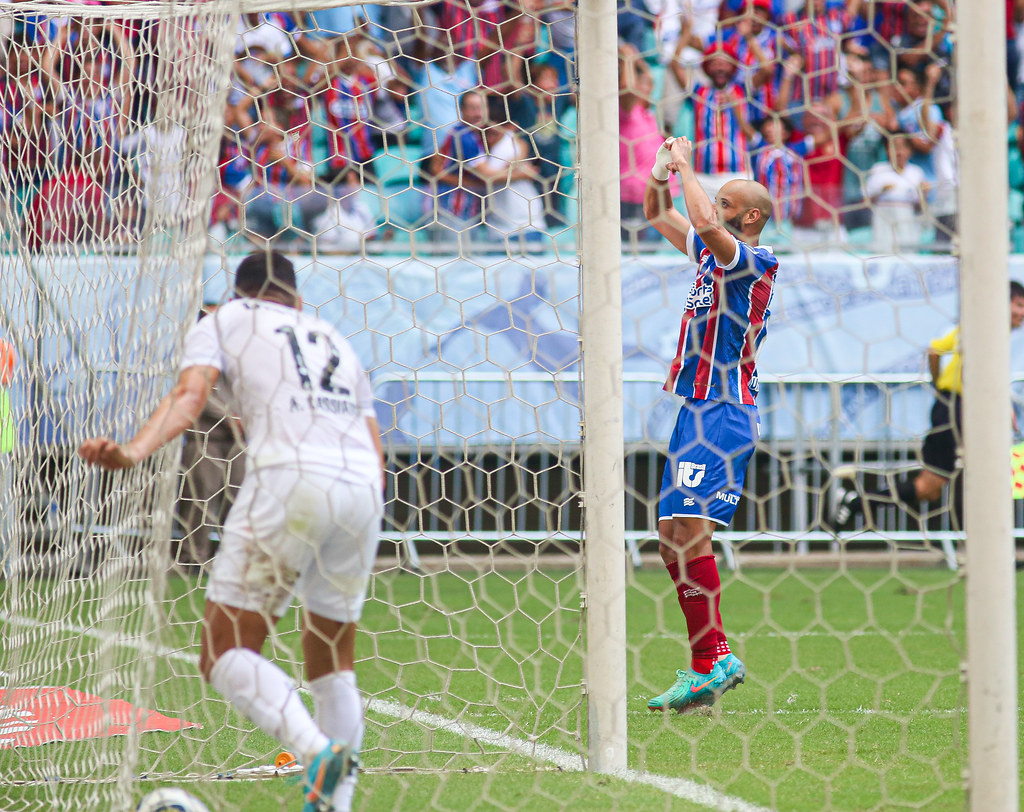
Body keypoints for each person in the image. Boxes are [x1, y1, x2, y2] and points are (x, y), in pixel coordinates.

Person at [78, 252, 385, 812]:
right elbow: (373, 439)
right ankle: (334, 804)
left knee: (223, 651)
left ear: (239, 294)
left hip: (290, 483)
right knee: (333, 659)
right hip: (363, 491)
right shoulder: (331, 336)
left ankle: (314, 750)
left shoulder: (222, 319)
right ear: (296, 300)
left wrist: (133, 451)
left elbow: (191, 397)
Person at [643, 135, 778, 712]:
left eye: (726, 204)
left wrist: (686, 167)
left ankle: (713, 660)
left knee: (692, 532)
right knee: (668, 537)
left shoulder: (751, 260)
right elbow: (658, 212)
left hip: (724, 412)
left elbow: (697, 214)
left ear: (749, 218)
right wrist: (657, 174)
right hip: (693, 410)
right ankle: (707, 662)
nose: (712, 208)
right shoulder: (707, 255)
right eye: (715, 200)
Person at [831, 281, 1024, 534]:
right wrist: (942, 389)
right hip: (956, 410)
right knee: (992, 474)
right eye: (1019, 305)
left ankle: (857, 501)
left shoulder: (995, 335)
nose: (1021, 313)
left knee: (930, 489)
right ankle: (992, 550)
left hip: (960, 408)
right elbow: (934, 351)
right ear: (1002, 304)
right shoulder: (981, 330)